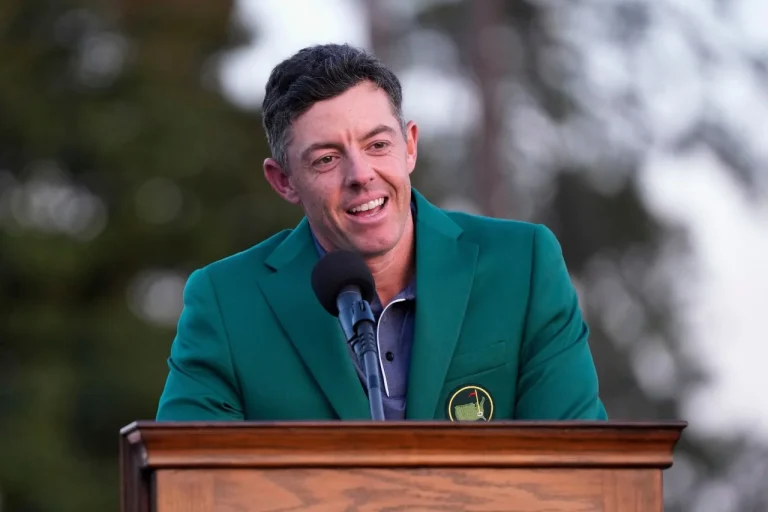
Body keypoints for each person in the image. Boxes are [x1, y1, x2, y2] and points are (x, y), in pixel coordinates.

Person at [155, 43, 607, 422]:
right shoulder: (225, 301)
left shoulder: (523, 265)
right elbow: (182, 478)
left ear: (409, 145)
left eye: (377, 144)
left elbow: (581, 461)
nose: (361, 174)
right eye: (327, 159)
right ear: (284, 181)